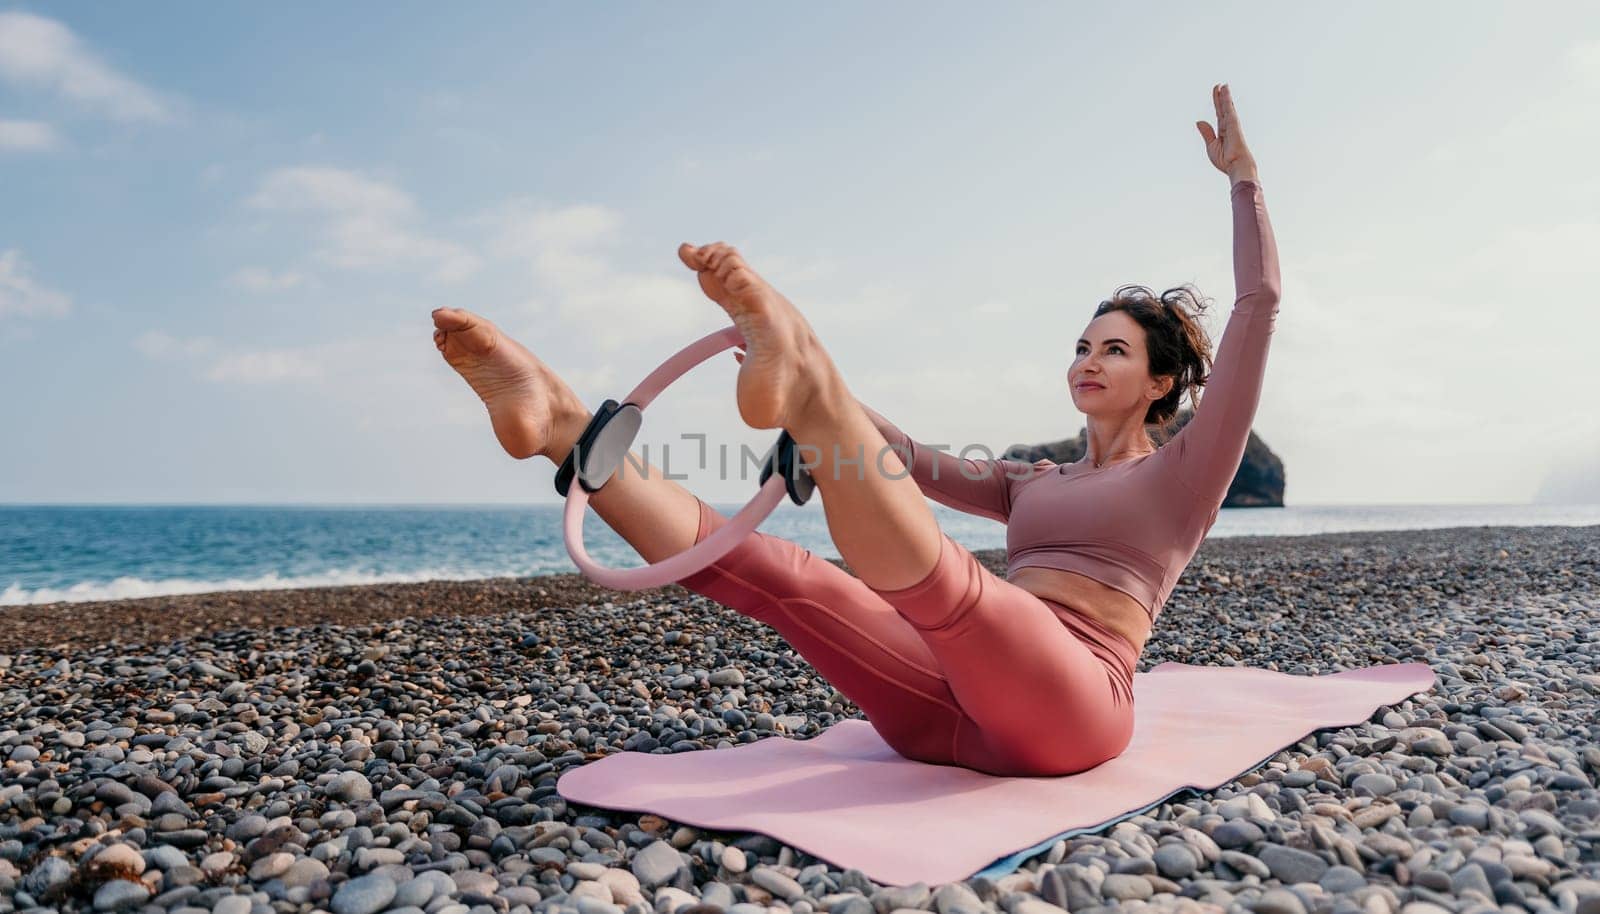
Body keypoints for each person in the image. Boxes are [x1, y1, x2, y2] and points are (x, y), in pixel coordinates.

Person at [430, 84, 1279, 777]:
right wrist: (817, 395)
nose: (1088, 362)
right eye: (1082, 347)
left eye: (1116, 352)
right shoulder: (1032, 480)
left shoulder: (1186, 475)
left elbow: (1258, 306)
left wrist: (1244, 182)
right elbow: (902, 459)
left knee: (957, 591)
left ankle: (803, 372)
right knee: (778, 571)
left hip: (1072, 709)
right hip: (941, 718)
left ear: (1161, 382)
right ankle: (562, 425)